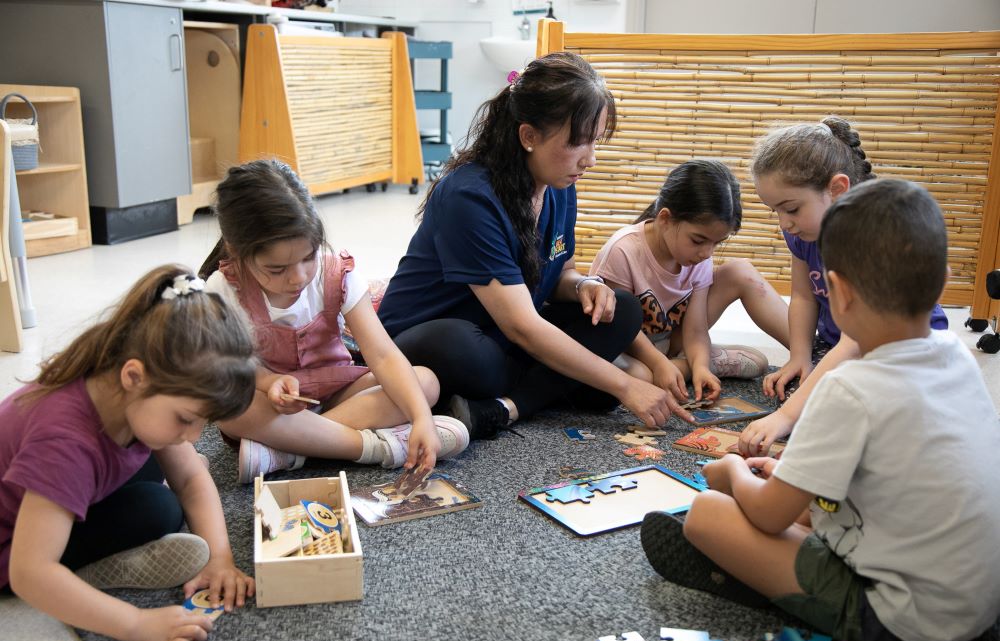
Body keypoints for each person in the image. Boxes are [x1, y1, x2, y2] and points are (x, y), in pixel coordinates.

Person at [640, 179, 1000, 641]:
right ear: (942, 281)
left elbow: (770, 515)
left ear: (836, 293)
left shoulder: (847, 388)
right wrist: (788, 480)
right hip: (979, 602)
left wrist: (730, 474)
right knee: (796, 494)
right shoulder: (956, 356)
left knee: (708, 512)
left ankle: (766, 586)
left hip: (908, 623)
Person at [377, 52, 689, 440]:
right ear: (528, 137)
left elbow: (561, 272)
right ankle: (546, 388)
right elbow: (522, 327)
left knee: (620, 310)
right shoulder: (469, 197)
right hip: (435, 335)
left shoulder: (559, 184)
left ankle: (503, 408)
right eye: (578, 143)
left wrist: (583, 286)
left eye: (594, 143)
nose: (589, 159)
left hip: (504, 334)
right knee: (472, 354)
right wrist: (625, 385)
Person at [1, 265, 258, 641]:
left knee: (167, 467)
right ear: (134, 377)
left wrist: (219, 557)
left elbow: (190, 477)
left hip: (53, 491)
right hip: (10, 549)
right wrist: (137, 624)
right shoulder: (65, 442)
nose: (193, 437)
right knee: (157, 507)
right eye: (187, 420)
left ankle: (82, 561)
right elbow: (29, 572)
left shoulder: (128, 389)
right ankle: (84, 574)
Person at [199, 160, 469, 483]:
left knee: (425, 383)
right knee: (228, 405)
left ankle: (287, 450)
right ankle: (369, 447)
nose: (297, 277)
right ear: (237, 251)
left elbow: (382, 355)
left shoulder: (335, 273)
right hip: (273, 408)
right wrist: (269, 382)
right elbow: (231, 366)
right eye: (276, 269)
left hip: (337, 393)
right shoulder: (224, 288)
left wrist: (422, 417)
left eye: (308, 256)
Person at [738, 117, 949, 453]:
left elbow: (856, 341)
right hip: (840, 341)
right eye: (775, 211)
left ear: (837, 189)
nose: (784, 223)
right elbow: (803, 297)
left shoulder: (870, 239)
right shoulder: (802, 235)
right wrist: (799, 356)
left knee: (843, 415)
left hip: (901, 348)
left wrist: (785, 418)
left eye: (790, 208)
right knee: (800, 387)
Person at [589, 160, 789, 405]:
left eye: (716, 243)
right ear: (665, 219)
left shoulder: (699, 257)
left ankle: (688, 366)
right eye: (698, 240)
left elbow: (695, 329)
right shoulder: (623, 250)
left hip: (669, 343)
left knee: (759, 362)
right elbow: (619, 326)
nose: (707, 253)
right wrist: (658, 363)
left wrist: (702, 367)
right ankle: (677, 368)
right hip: (626, 345)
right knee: (640, 376)